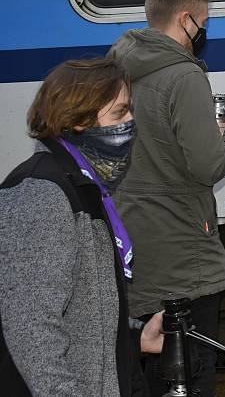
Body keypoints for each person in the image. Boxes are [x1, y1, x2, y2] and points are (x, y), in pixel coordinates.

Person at [107, 0, 225, 396]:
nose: (203, 32)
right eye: (202, 23)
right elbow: (206, 165)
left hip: (134, 240)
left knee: (147, 371)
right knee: (189, 372)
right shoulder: (183, 76)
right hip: (182, 251)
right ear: (185, 19)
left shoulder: (118, 65)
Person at [0, 58, 164, 396]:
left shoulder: (84, 189)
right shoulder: (40, 194)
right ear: (78, 121)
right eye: (120, 113)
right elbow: (32, 332)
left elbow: (83, 312)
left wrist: (135, 339)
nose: (132, 122)